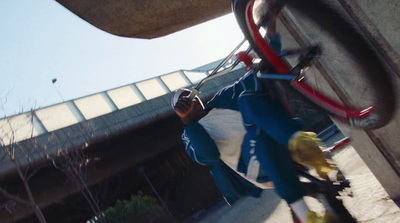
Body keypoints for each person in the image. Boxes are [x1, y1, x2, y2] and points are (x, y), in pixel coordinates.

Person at [172, 2, 338, 223]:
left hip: (277, 140)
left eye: (189, 94)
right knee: (258, 130)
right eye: (182, 102)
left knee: (250, 96)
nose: (190, 100)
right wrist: (188, 124)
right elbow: (209, 155)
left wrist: (271, 30)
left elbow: (260, 72)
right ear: (180, 111)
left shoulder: (221, 100)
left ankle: (302, 152)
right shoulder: (189, 135)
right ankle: (304, 212)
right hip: (254, 165)